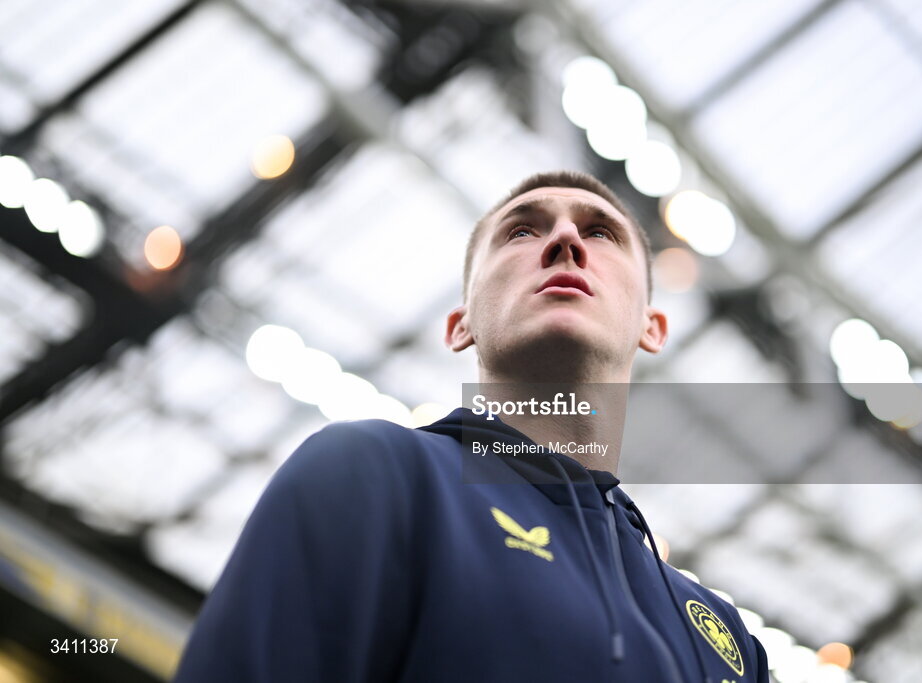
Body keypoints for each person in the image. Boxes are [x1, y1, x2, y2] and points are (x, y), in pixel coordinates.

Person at [173, 171, 770, 682]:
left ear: (652, 326)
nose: (565, 239)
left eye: (599, 231)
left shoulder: (730, 644)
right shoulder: (374, 472)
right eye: (522, 230)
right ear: (461, 324)